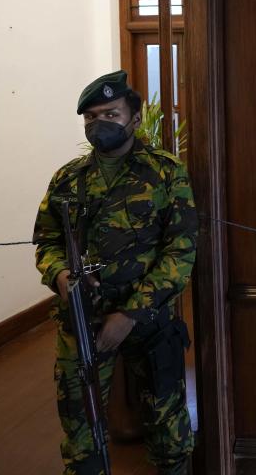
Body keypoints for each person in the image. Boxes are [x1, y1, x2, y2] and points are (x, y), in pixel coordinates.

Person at [33, 70, 198, 475]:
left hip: (148, 319)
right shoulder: (68, 178)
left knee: (168, 430)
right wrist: (59, 276)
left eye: (110, 114)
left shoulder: (165, 173)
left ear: (135, 119)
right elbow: (47, 241)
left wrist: (129, 315)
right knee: (81, 431)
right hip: (83, 320)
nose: (99, 125)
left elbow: (181, 250)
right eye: (90, 118)